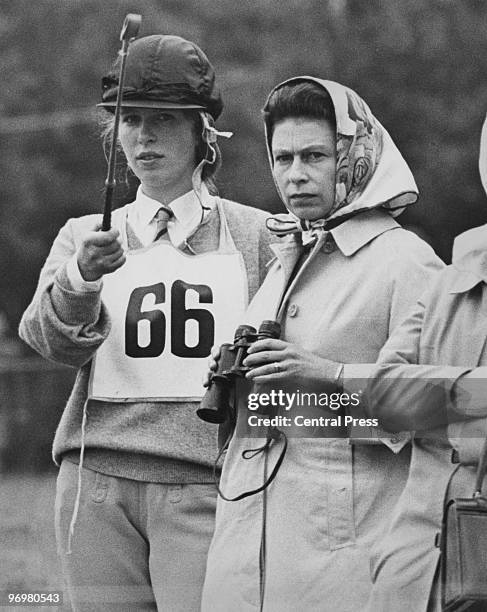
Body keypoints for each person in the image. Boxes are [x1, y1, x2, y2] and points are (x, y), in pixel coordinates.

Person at [19, 34, 274, 612]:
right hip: (96, 483)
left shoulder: (257, 235)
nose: (144, 136)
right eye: (130, 120)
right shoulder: (83, 234)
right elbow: (46, 341)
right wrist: (80, 280)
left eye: (164, 118)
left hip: (207, 484)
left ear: (203, 132)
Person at [201, 77, 443, 612]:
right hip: (245, 550)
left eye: (314, 156)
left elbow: (438, 409)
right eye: (282, 158)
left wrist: (327, 376)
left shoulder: (408, 262)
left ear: (356, 155)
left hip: (350, 559)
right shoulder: (287, 254)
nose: (295, 175)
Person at [365, 116, 487, 612]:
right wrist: (473, 391)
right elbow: (382, 399)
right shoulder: (447, 285)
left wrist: (437, 400)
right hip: (416, 572)